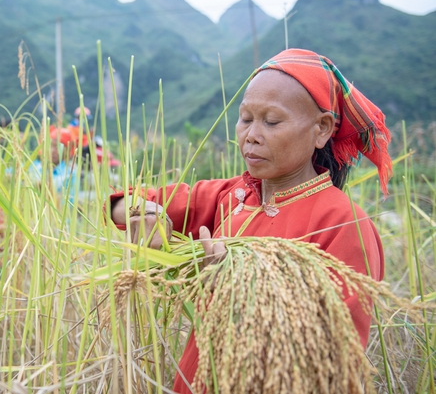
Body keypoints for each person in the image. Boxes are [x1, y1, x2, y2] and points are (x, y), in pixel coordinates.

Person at [107, 48, 392, 392]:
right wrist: (145, 214)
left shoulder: (343, 225)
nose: (251, 135)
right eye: (245, 118)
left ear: (322, 129)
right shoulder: (233, 196)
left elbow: (335, 364)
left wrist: (239, 289)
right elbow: (121, 201)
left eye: (271, 121)